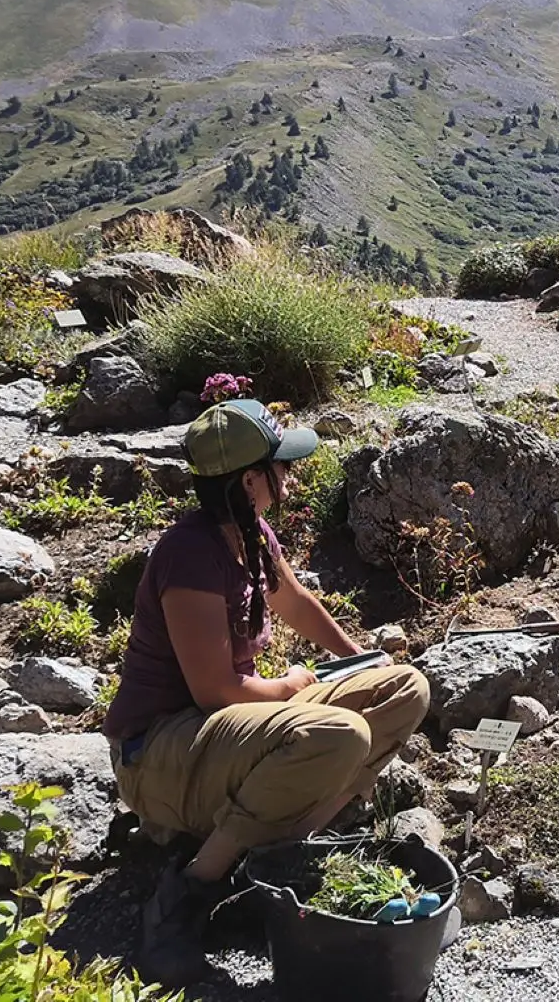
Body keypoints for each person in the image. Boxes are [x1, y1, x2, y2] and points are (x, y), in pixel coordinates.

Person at [103, 399, 429, 986]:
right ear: (249, 480)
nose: (292, 475)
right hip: (159, 752)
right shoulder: (190, 554)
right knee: (338, 735)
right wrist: (289, 685)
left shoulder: (249, 533)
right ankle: (193, 891)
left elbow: (293, 600)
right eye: (282, 466)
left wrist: (357, 662)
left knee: (404, 689)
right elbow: (215, 689)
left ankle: (282, 853)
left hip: (220, 736)